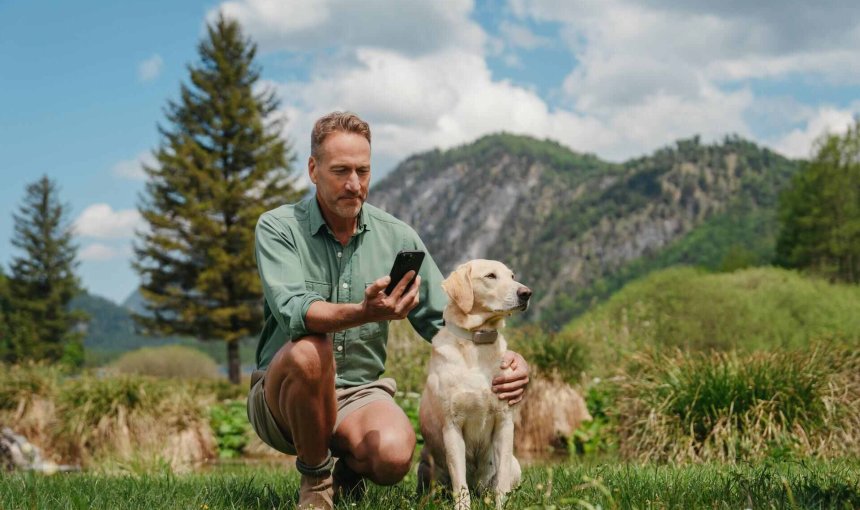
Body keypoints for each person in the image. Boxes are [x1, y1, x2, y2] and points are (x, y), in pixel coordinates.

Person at [247, 111, 530, 510]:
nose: (354, 184)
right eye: (340, 171)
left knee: (395, 455)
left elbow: (447, 320)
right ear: (313, 169)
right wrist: (365, 312)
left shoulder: (398, 237)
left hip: (358, 394)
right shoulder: (277, 228)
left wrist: (507, 358)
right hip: (284, 396)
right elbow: (296, 311)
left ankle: (349, 472)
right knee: (311, 350)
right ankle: (316, 484)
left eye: (362, 171)